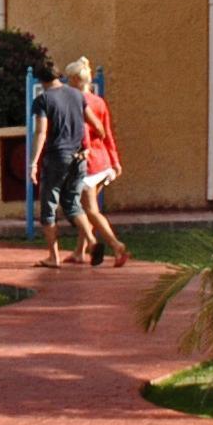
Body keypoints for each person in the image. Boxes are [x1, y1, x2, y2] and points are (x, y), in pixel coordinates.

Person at [70, 57, 132, 268]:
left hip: (88, 164)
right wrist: (115, 162)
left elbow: (80, 135)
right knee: (88, 208)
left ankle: (117, 246)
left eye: (70, 78)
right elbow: (108, 135)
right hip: (103, 162)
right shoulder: (99, 102)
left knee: (90, 210)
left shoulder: (76, 102)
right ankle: (79, 251)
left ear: (77, 79)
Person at [28, 59, 90, 267]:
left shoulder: (43, 100)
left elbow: (41, 132)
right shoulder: (77, 95)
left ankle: (53, 257)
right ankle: (92, 240)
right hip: (79, 157)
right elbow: (92, 124)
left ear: (41, 80)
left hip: (57, 157)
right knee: (73, 203)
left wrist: (33, 163)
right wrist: (88, 148)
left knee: (49, 207)